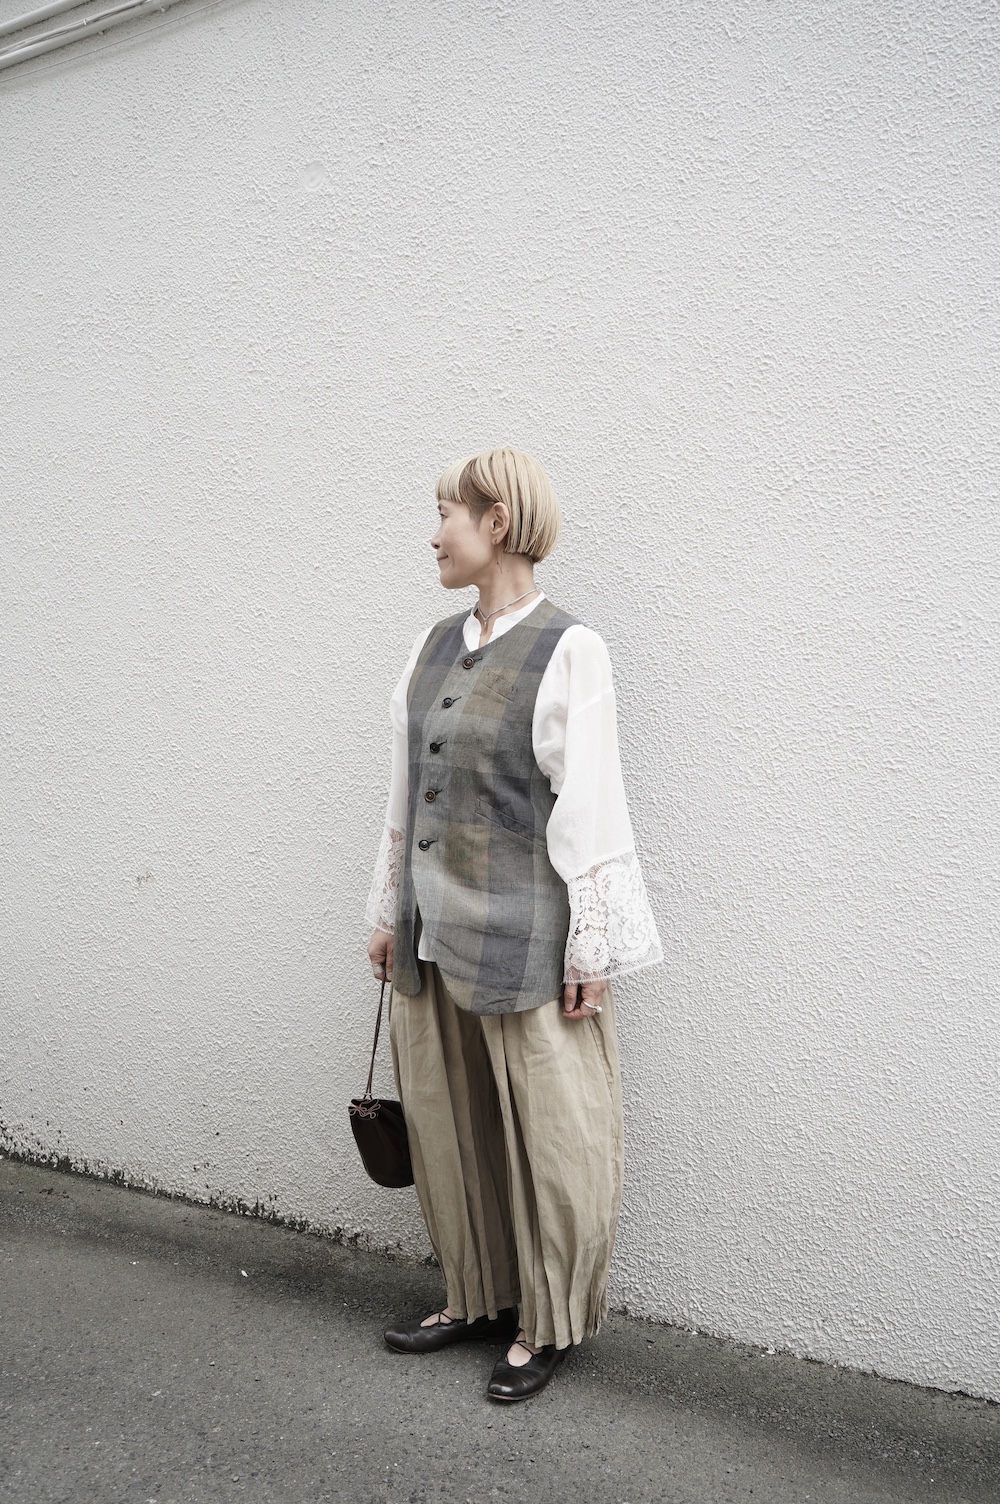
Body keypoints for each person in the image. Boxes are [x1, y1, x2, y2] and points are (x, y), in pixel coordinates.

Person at [365, 448, 662, 1402]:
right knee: (448, 1129)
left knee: (552, 1138)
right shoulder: (429, 646)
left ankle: (548, 1322)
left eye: (445, 514)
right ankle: (475, 1295)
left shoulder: (571, 649)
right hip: (431, 933)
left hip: (527, 940)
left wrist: (592, 946)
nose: (433, 535)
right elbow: (404, 795)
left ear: (496, 523)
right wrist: (387, 910)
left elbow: (592, 805)